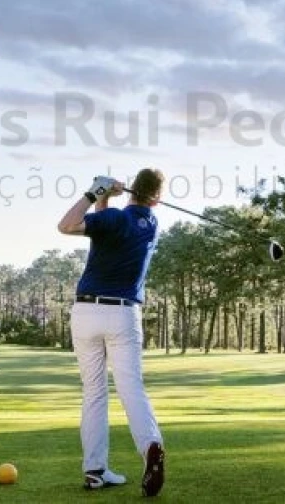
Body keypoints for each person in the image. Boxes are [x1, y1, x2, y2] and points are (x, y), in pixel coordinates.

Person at [57, 168, 165, 496]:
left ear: (133, 189)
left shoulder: (115, 218)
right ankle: (150, 446)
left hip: (86, 313)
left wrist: (95, 193)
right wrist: (106, 199)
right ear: (156, 198)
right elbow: (106, 228)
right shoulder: (151, 225)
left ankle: (94, 470)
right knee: (131, 388)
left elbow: (66, 225)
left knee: (94, 392)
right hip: (122, 315)